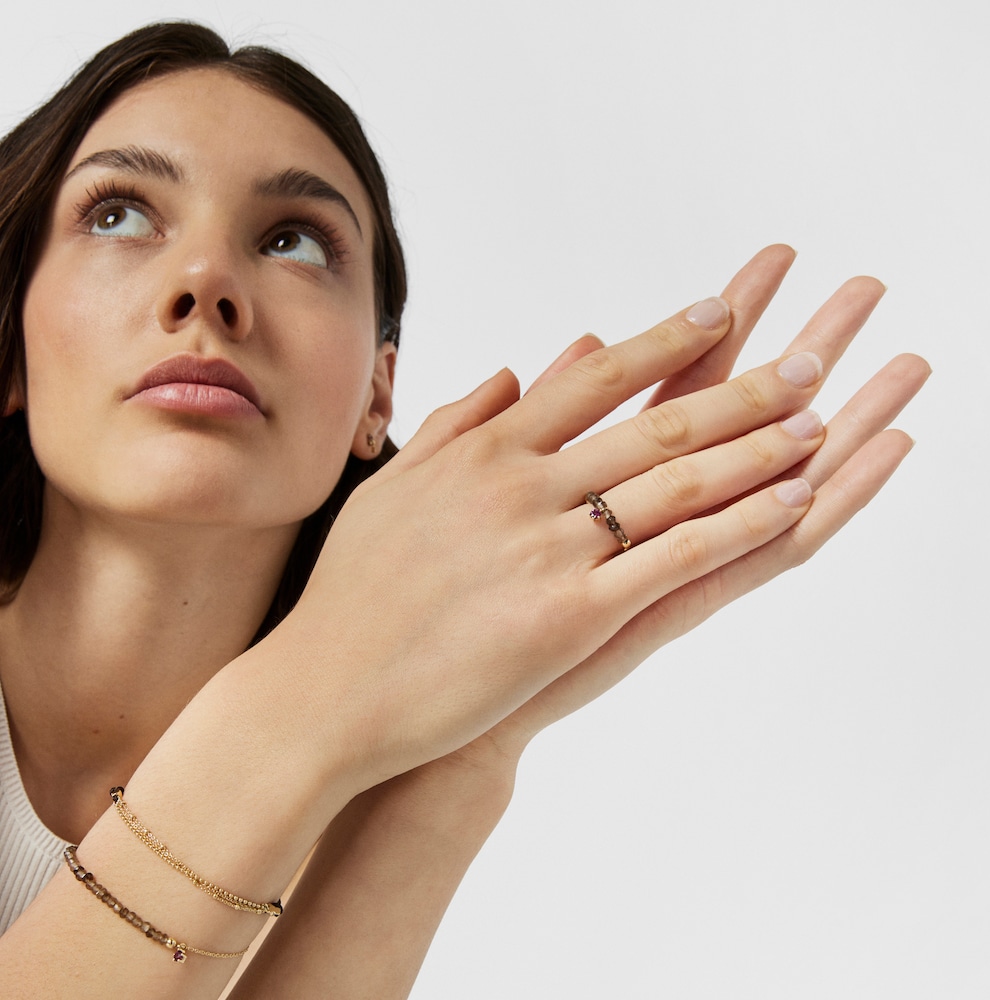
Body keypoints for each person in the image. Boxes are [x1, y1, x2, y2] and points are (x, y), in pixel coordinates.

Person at [0, 20, 929, 999]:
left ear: (375, 398)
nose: (206, 283)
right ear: (10, 349)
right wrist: (297, 699)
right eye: (117, 214)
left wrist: (465, 754)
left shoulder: (355, 766)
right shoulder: (310, 733)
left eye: (294, 241)